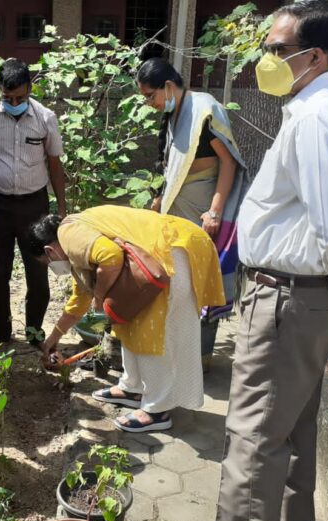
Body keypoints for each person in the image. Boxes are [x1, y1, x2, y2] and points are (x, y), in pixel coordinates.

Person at [213, 3, 328, 521]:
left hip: (285, 300)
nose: (265, 59)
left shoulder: (316, 116)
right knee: (289, 432)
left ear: (316, 55)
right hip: (303, 299)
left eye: (277, 49)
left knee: (254, 438)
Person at [29, 206, 225, 432]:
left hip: (172, 252)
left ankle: (157, 410)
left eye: (46, 263)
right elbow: (78, 302)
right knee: (129, 323)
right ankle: (133, 387)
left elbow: (110, 257)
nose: (52, 268)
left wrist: (100, 298)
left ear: (50, 250)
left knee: (151, 332)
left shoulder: (68, 233)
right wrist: (52, 341)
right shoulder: (77, 247)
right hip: (172, 249)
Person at [136, 57, 249, 372]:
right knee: (178, 283)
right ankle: (178, 350)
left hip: (201, 211)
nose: (149, 103)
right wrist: (161, 198)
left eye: (150, 95)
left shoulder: (204, 110)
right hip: (178, 210)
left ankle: (198, 359)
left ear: (168, 87)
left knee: (201, 284)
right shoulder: (175, 112)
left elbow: (228, 163)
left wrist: (214, 211)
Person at [0, 58, 67, 345]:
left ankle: (35, 333)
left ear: (30, 89)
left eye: (20, 98)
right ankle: (1, 334)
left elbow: (55, 165)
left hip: (34, 206)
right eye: (7, 98)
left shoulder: (45, 118)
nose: (14, 103)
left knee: (38, 272)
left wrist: (60, 208)